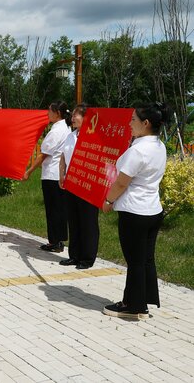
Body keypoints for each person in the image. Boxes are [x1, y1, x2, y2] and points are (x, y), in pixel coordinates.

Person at [101, 102, 170, 320]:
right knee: (146, 259)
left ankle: (132, 306)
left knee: (135, 260)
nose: (129, 124)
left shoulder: (138, 150)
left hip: (134, 212)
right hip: (152, 211)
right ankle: (142, 302)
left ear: (146, 123)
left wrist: (108, 200)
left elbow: (122, 182)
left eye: (133, 120)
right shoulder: (159, 146)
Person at [24, 102, 71, 252]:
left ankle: (54, 242)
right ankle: (59, 240)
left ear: (57, 113)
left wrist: (29, 171)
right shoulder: (66, 127)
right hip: (59, 174)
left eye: (49, 111)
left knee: (53, 210)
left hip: (51, 175)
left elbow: (43, 155)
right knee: (59, 209)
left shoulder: (56, 131)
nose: (47, 113)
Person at [58, 103, 99, 269]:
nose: (73, 118)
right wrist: (61, 175)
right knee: (74, 220)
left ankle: (87, 258)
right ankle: (74, 255)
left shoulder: (93, 137)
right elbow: (63, 156)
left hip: (88, 185)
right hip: (71, 183)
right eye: (73, 115)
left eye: (77, 115)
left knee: (87, 221)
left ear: (86, 118)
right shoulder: (71, 135)